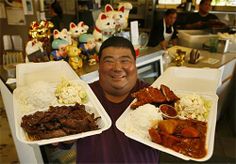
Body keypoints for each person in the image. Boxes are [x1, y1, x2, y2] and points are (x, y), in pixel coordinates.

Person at [74, 36, 159, 163]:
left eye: (125, 61)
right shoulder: (82, 96)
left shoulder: (153, 96)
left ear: (135, 64)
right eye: (109, 61)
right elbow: (61, 139)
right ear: (99, 64)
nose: (117, 68)